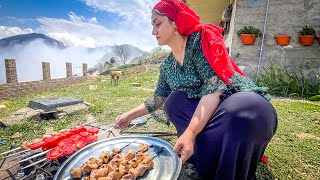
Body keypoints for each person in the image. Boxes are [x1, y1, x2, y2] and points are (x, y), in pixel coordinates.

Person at [115, 0, 278, 179]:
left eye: (158, 24)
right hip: (206, 118)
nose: (153, 32)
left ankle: (226, 154)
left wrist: (190, 132)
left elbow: (213, 91)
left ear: (175, 22)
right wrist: (128, 116)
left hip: (228, 106)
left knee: (246, 108)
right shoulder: (168, 66)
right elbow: (158, 99)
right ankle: (206, 153)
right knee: (173, 101)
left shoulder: (199, 41)